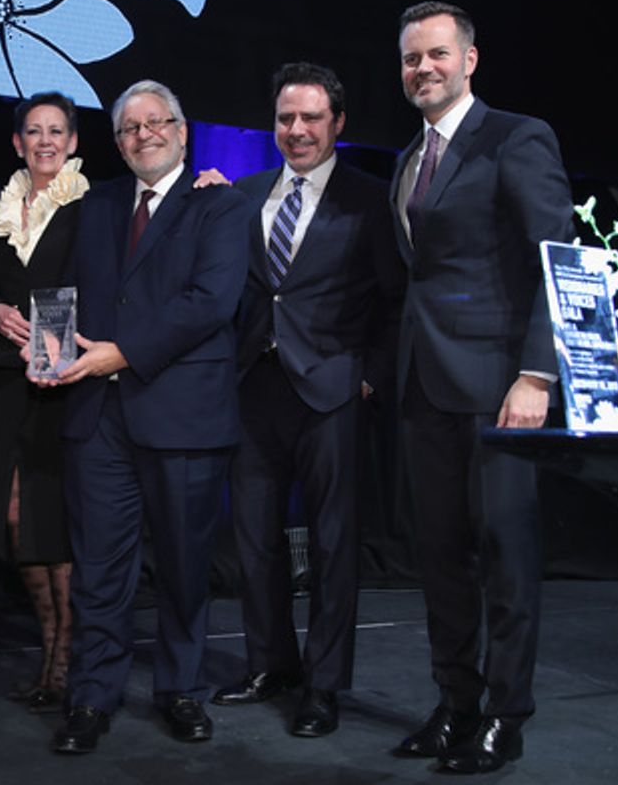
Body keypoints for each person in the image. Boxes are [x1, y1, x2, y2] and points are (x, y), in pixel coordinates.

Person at [390, 1, 574, 773]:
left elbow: (556, 254)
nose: (422, 68)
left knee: (505, 562)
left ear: (469, 59)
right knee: (440, 561)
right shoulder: (408, 158)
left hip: (502, 391)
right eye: (409, 59)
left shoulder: (515, 137)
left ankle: (505, 715)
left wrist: (536, 373)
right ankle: (456, 703)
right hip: (425, 389)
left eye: (436, 54)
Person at [44, 80, 249, 754]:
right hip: (97, 418)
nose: (144, 135)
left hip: (184, 416)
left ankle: (181, 690)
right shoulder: (95, 203)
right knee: (100, 570)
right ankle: (91, 698)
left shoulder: (220, 204)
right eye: (130, 128)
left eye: (157, 122)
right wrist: (43, 342)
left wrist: (122, 354)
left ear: (182, 131)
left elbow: (211, 301)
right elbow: (61, 290)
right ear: (118, 140)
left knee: (186, 566)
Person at [211, 62, 404, 737]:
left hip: (332, 392)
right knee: (254, 541)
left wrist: (369, 378)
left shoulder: (370, 199)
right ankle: (270, 664)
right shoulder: (243, 193)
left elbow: (393, 301)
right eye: (286, 119)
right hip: (253, 390)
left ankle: (323, 686)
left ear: (338, 124)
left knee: (332, 545)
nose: (297, 130)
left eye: (311, 118)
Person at [0, 91, 89, 713]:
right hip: (2, 379)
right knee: (16, 518)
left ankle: (63, 660)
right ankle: (48, 644)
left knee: (53, 519)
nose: (45, 140)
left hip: (59, 380)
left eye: (56, 131)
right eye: (33, 131)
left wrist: (52, 356)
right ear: (18, 141)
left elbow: (88, 283)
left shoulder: (88, 201)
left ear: (73, 141)